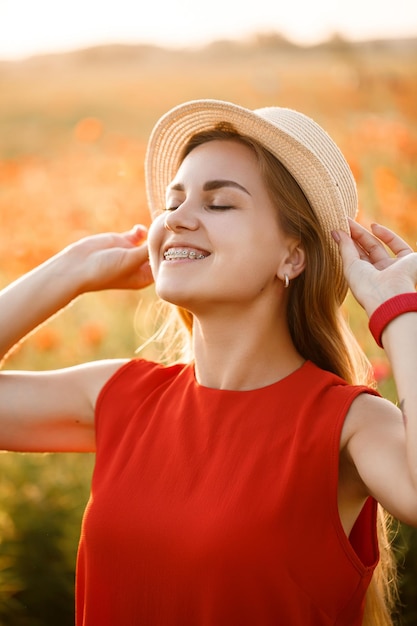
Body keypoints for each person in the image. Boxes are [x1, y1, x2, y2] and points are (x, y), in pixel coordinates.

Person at [0, 99, 416, 626]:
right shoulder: (120, 396)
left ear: (292, 255)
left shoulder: (346, 424)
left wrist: (399, 312)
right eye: (173, 202)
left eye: (219, 204)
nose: (176, 218)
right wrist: (70, 270)